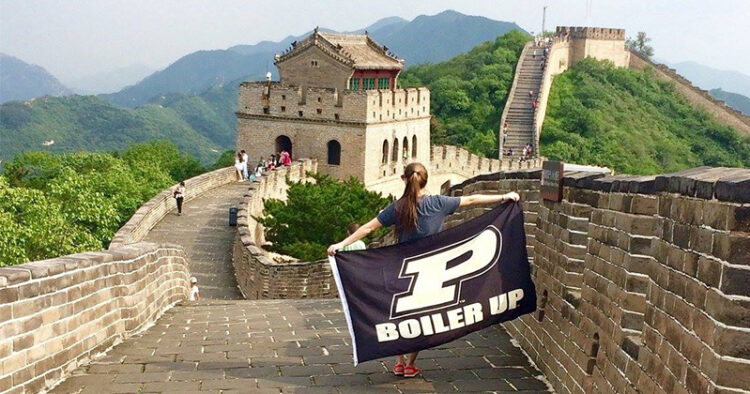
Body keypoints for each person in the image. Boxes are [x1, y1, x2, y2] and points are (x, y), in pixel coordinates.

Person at [327, 162, 520, 378]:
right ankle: (410, 364)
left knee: (398, 315)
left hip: (400, 269)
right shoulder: (438, 203)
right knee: (420, 317)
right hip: (430, 270)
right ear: (426, 180)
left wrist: (341, 245)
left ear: (404, 179)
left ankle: (398, 361)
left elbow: (368, 227)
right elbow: (472, 200)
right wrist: (504, 197)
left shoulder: (398, 208)